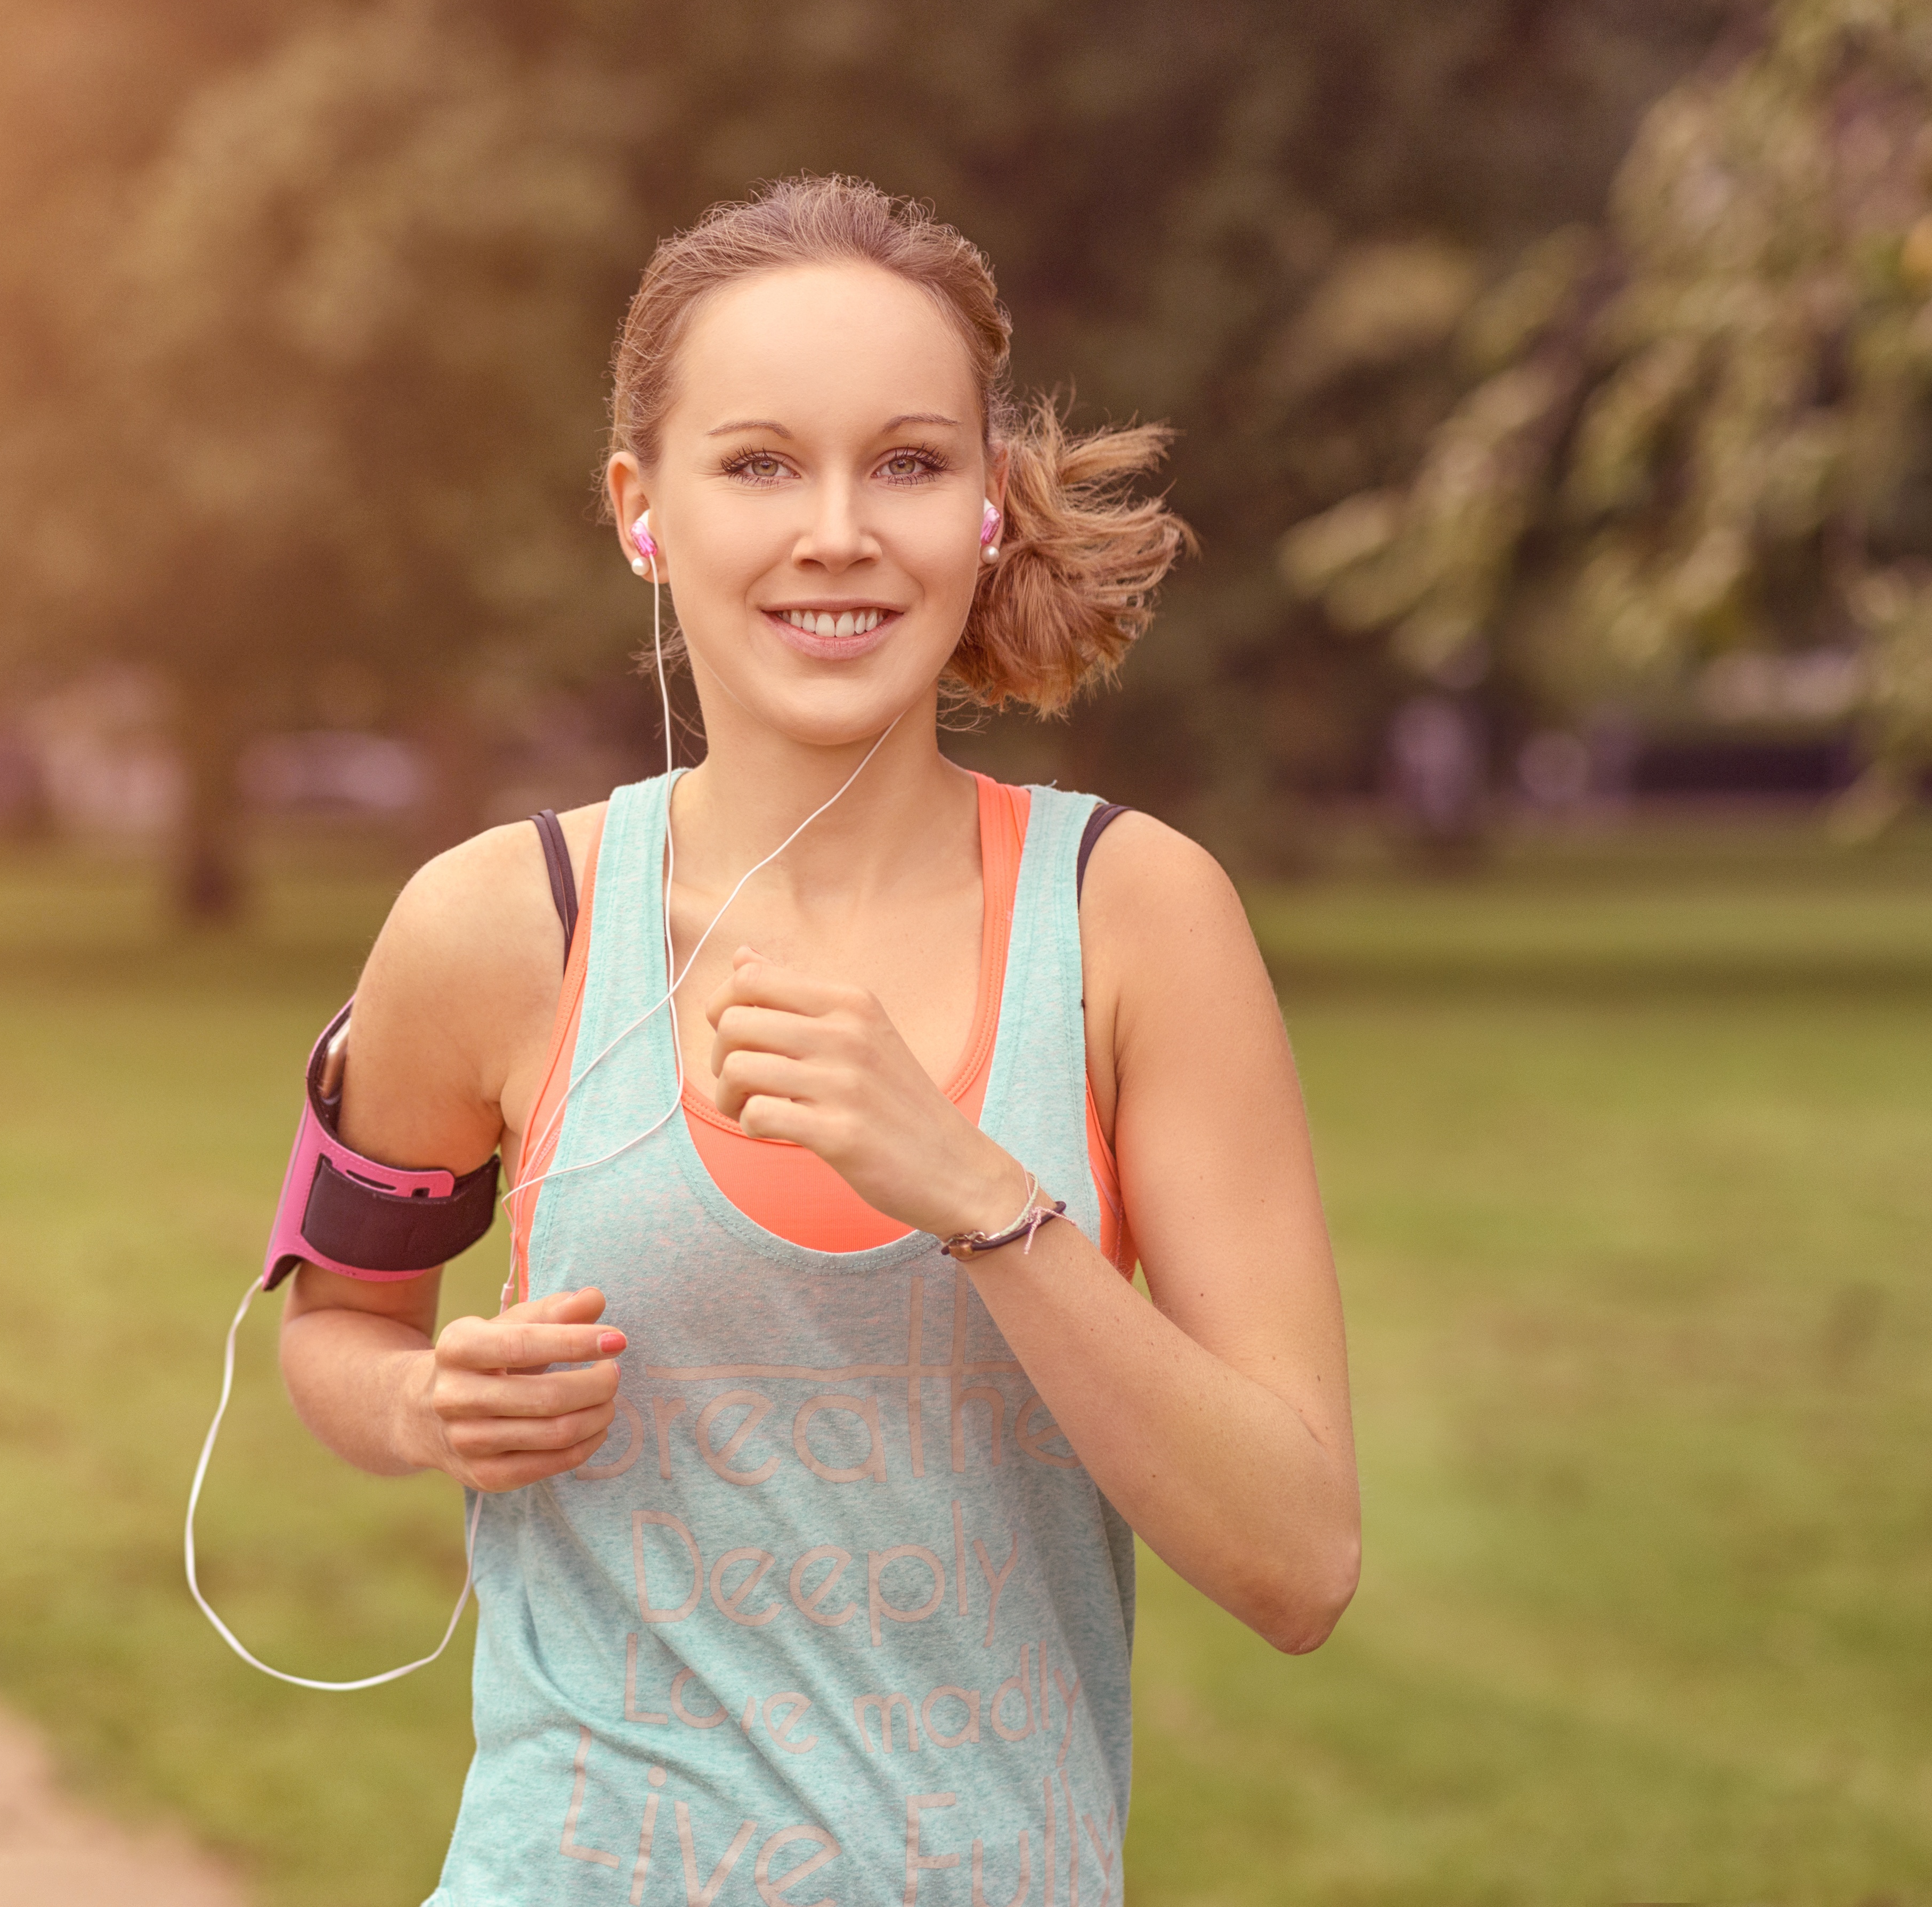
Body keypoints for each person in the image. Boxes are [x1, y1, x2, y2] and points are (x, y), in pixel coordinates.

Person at [277, 176, 1357, 1905]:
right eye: (761, 462)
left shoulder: (1137, 923)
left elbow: (1299, 1561)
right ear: (644, 510)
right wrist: (425, 1408)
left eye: (911, 463)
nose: (839, 531)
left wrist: (980, 1198)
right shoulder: (501, 925)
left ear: (990, 507)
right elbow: (337, 1327)